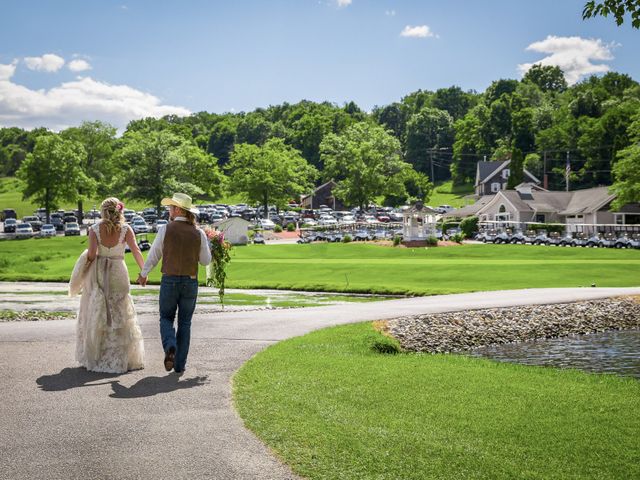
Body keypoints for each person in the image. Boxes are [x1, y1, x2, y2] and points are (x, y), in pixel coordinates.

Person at [138, 193, 211, 374]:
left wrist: (144, 273)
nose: (169, 211)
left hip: (169, 280)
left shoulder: (165, 229)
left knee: (166, 318)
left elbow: (154, 254)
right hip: (190, 281)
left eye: (171, 207)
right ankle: (179, 365)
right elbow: (205, 260)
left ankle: (170, 346)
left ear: (178, 210)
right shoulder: (199, 233)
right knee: (185, 323)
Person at [71, 197, 145, 373]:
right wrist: (144, 271)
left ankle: (100, 355)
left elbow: (91, 254)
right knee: (120, 309)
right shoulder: (126, 229)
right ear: (119, 210)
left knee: (100, 308)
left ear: (103, 212)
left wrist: (84, 263)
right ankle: (122, 358)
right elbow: (136, 250)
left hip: (100, 273)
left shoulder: (95, 229)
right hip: (119, 271)